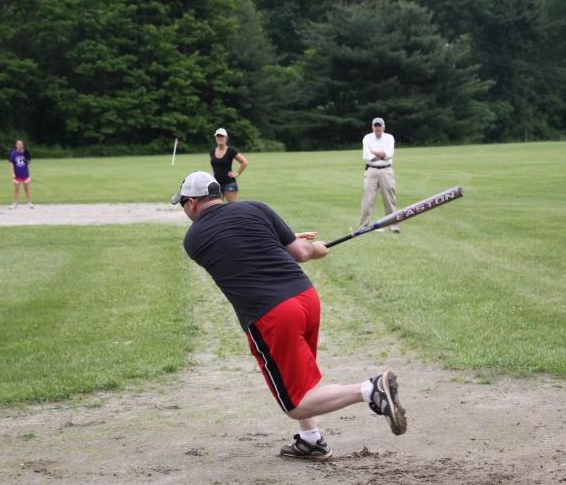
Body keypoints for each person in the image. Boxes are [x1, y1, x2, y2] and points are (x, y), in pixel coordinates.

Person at [172, 171, 407, 460]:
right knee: (301, 380)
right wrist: (314, 249)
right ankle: (311, 440)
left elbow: (242, 245)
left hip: (272, 315)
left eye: (182, 203)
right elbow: (299, 253)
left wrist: (298, 246)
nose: (184, 209)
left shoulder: (193, 239)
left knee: (295, 402)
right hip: (306, 299)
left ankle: (371, 390)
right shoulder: (255, 208)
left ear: (193, 203)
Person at [360, 117, 400, 233]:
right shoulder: (367, 138)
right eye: (375, 126)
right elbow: (367, 156)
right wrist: (382, 155)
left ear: (383, 127)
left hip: (386, 170)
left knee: (389, 199)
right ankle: (363, 227)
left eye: (380, 126)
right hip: (371, 170)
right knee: (368, 199)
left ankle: (394, 227)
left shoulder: (389, 137)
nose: (378, 128)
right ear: (373, 127)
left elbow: (389, 154)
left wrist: (375, 153)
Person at [209, 128, 248, 202]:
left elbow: (244, 162)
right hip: (217, 184)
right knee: (216, 208)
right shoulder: (212, 152)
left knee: (232, 208)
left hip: (229, 184)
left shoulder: (231, 151)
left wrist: (236, 174)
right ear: (216, 138)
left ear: (226, 138)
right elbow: (213, 164)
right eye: (218, 136)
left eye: (222, 136)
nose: (220, 138)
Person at [9, 139, 33, 210]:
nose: (19, 145)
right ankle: (15, 204)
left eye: (20, 144)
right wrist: (12, 173)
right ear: (16, 145)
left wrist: (27, 159)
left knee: (27, 189)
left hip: (25, 173)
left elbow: (28, 163)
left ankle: (29, 203)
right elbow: (11, 164)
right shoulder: (13, 154)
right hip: (17, 174)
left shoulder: (25, 152)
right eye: (18, 144)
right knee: (16, 189)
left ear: (23, 145)